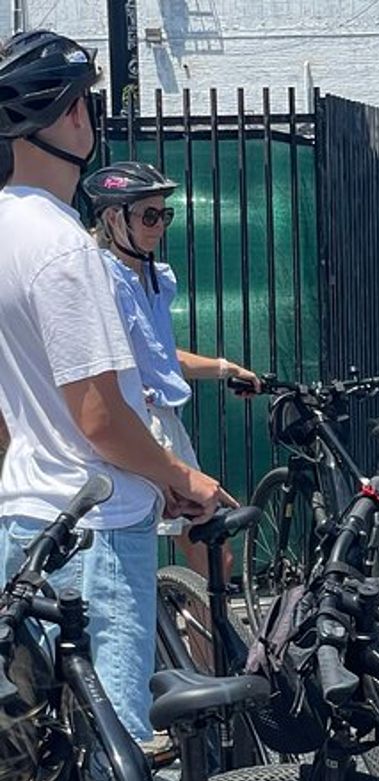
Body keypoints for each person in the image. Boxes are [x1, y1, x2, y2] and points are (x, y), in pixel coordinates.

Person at [0, 30, 224, 745]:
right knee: (118, 749)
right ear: (70, 115)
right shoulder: (65, 248)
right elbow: (99, 414)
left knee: (47, 754)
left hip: (28, 522)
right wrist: (181, 476)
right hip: (97, 529)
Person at [81, 161, 261, 582]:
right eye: (149, 215)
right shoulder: (102, 280)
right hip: (138, 423)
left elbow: (158, 355)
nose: (160, 225)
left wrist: (225, 367)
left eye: (165, 214)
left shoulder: (153, 278)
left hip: (164, 421)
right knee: (188, 555)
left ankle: (193, 643)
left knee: (212, 557)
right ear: (113, 217)